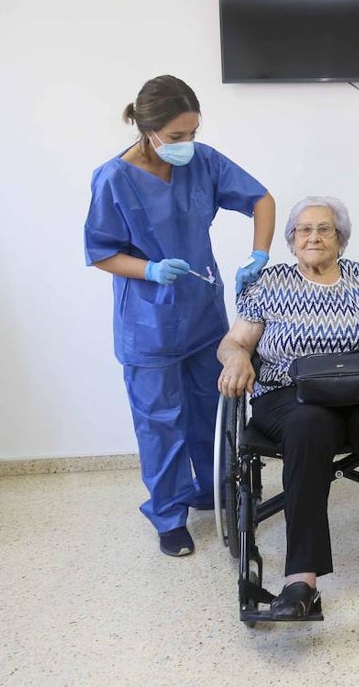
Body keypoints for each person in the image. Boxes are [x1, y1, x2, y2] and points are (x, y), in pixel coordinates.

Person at [217, 196, 359, 618]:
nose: (314, 237)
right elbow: (236, 342)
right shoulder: (267, 284)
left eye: (324, 229)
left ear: (341, 239)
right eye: (304, 230)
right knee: (308, 427)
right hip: (293, 394)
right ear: (290, 241)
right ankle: (300, 582)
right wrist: (235, 357)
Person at [84, 74, 275, 557]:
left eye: (192, 133)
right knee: (160, 421)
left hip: (203, 313)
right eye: (176, 137)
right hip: (148, 323)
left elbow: (261, 200)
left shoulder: (204, 161)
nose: (186, 144)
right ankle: (169, 515)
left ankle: (214, 491)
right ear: (148, 130)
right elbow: (101, 252)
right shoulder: (114, 178)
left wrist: (258, 255)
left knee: (212, 412)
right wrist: (148, 268)